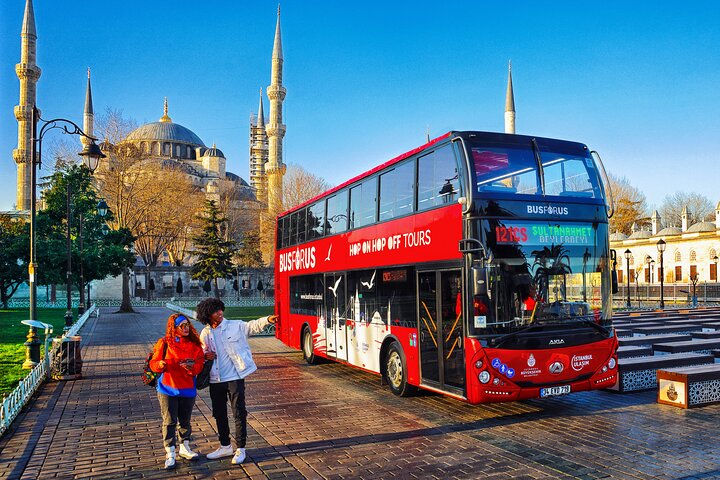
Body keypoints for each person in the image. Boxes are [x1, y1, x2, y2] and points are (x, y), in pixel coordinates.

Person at [197, 298, 278, 465]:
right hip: (215, 379)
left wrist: (267, 319)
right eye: (215, 311)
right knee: (219, 414)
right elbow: (201, 354)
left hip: (234, 377)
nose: (220, 313)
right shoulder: (205, 333)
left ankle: (241, 448)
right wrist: (205, 356)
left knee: (239, 412)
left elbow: (252, 326)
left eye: (220, 309)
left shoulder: (235, 325)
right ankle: (225, 445)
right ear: (207, 315)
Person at [149, 313, 205, 469]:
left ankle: (185, 447)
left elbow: (200, 364)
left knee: (185, 420)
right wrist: (160, 364)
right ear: (174, 328)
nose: (186, 328)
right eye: (182, 326)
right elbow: (153, 362)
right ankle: (170, 451)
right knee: (169, 421)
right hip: (168, 387)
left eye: (187, 325)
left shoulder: (194, 345)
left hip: (187, 388)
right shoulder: (165, 342)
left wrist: (191, 368)